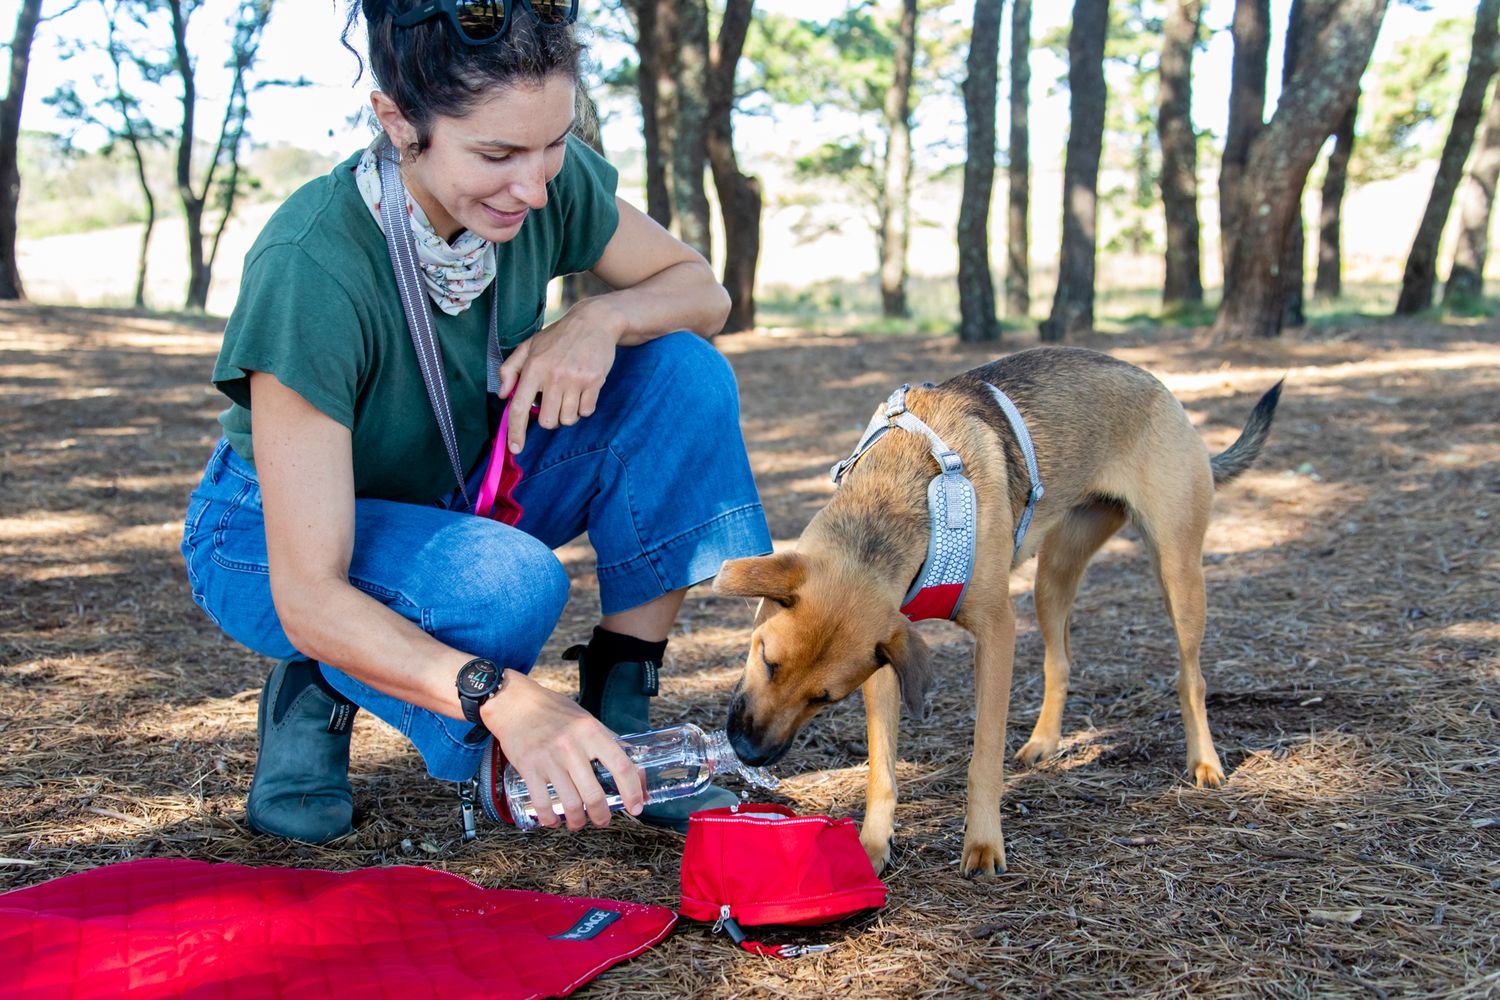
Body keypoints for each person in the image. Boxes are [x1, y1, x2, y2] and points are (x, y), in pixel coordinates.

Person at [179, 0, 772, 843]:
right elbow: (309, 590)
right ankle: (323, 679)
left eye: (553, 143)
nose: (535, 187)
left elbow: (700, 290)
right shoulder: (310, 264)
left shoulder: (541, 179)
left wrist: (599, 319)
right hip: (274, 538)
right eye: (496, 155)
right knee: (507, 586)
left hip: (464, 478)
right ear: (398, 121)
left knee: (685, 374)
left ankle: (621, 710)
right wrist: (500, 695)